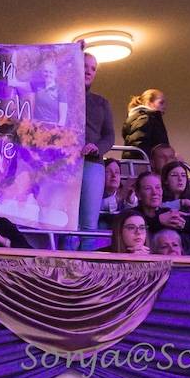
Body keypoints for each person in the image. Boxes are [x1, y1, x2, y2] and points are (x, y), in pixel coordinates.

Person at [78, 52, 116, 250]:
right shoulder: (59, 96)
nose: (89, 71)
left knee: (88, 226)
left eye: (93, 68)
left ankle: (85, 264)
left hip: (92, 164)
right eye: (85, 65)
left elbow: (109, 136)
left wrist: (97, 148)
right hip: (64, 164)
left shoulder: (101, 103)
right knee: (64, 222)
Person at [132, 171, 190, 254]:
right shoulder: (131, 215)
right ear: (138, 194)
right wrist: (158, 221)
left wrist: (183, 225)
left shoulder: (169, 213)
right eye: (148, 188)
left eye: (158, 188)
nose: (155, 193)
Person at [123, 89, 169, 157]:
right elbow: (139, 146)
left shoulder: (147, 119)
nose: (164, 107)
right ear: (149, 103)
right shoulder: (144, 119)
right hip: (145, 162)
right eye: (161, 103)